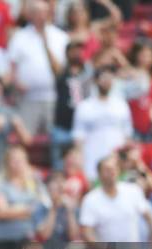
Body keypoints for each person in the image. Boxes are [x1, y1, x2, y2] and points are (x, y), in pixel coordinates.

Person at [8, 0, 68, 136]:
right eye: (36, 12)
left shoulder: (60, 37)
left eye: (43, 12)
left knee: (54, 138)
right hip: (28, 97)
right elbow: (12, 66)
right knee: (25, 137)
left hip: (54, 97)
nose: (41, 16)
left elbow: (64, 69)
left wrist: (45, 41)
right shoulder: (19, 37)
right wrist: (16, 82)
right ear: (30, 15)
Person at [79, 155, 152, 243]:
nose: (112, 172)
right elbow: (87, 232)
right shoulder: (90, 200)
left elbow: (149, 216)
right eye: (107, 169)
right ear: (99, 174)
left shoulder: (133, 190)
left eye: (114, 168)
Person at [72, 66, 133, 182]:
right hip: (92, 160)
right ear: (95, 80)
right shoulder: (85, 106)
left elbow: (128, 135)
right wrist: (80, 162)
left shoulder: (121, 105)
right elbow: (78, 137)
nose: (107, 81)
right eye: (103, 78)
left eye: (110, 78)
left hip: (116, 159)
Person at [0, 145, 48, 249]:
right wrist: (27, 210)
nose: (18, 164)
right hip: (4, 240)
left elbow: (43, 206)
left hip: (26, 238)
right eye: (14, 160)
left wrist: (14, 209)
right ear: (7, 163)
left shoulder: (35, 184)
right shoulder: (0, 186)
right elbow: (2, 212)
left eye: (21, 160)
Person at [51, 41, 93, 170]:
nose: (76, 53)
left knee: (81, 166)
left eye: (79, 50)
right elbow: (53, 66)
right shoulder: (62, 72)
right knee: (59, 167)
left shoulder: (88, 73)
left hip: (82, 129)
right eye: (73, 50)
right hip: (62, 127)